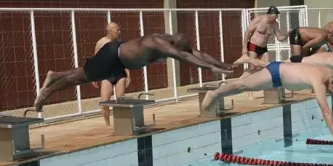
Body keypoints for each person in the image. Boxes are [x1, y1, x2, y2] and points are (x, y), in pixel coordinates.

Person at [34, 33, 234, 112]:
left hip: (120, 61)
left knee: (81, 73)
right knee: (81, 79)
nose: (182, 52)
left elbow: (199, 54)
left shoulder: (178, 45)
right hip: (113, 55)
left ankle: (55, 75)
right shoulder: (160, 43)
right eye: (179, 50)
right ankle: (47, 92)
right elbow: (186, 58)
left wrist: (222, 64)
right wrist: (211, 69)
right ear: (173, 44)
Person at [201, 62, 333, 149]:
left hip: (281, 77)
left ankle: (224, 89)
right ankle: (213, 93)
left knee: (243, 86)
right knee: (242, 86)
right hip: (276, 73)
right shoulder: (320, 82)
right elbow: (326, 111)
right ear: (332, 88)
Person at [234, 51, 333, 85]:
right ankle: (248, 59)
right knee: (272, 66)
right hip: (299, 63)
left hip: (301, 60)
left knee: (271, 68)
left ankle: (249, 71)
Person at [93, 22, 131, 125]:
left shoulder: (120, 43)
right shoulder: (101, 43)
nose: (119, 32)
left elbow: (124, 59)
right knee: (105, 103)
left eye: (119, 29)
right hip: (107, 75)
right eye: (117, 30)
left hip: (120, 74)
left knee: (120, 102)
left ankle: (121, 124)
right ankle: (107, 125)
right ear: (110, 31)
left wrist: (128, 75)